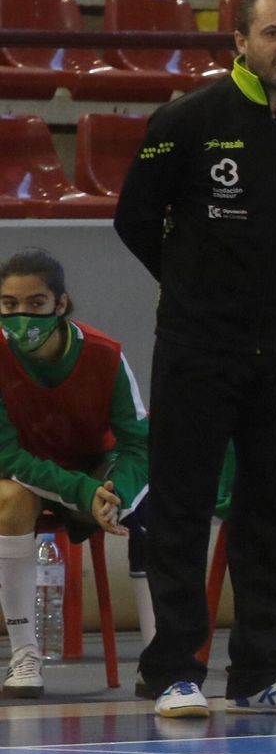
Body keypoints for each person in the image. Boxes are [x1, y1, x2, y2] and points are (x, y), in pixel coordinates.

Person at [113, 0, 276, 718]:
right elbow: (134, 218)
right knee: (182, 506)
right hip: (196, 345)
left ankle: (260, 674)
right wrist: (193, 286)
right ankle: (174, 671)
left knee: (271, 509)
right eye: (273, 33)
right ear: (240, 42)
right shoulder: (186, 120)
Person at [0, 249, 152, 698]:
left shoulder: (106, 355)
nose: (22, 315)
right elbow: (7, 457)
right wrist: (82, 493)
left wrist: (114, 494)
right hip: (26, 473)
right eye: (9, 305)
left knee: (151, 502)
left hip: (96, 470)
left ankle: (162, 657)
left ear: (61, 305)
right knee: (9, 501)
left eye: (36, 303)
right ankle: (25, 655)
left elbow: (139, 445)